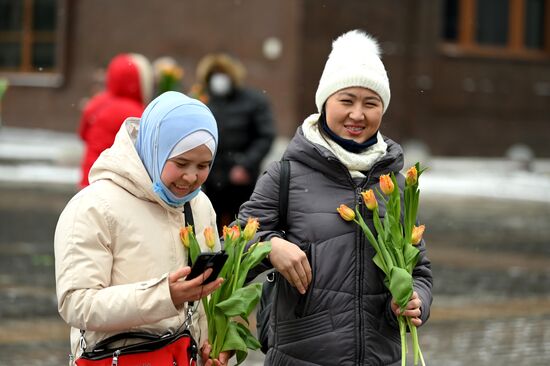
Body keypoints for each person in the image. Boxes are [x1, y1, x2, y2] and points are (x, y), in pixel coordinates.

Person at [236, 30, 433, 365]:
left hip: (380, 356)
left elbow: (420, 269)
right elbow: (236, 246)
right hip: (301, 355)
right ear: (324, 102)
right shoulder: (286, 175)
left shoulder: (395, 186)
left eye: (370, 103)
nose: (357, 114)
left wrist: (417, 300)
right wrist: (271, 247)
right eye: (346, 101)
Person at [55, 91, 230, 365]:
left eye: (204, 165)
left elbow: (203, 304)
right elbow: (77, 303)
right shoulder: (93, 206)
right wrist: (163, 296)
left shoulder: (199, 205)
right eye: (181, 163)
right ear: (154, 149)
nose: (192, 177)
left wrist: (211, 345)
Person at [191, 53, 276, 231]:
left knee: (241, 226)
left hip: (241, 180)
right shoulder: (204, 101)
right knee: (210, 226)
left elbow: (265, 136)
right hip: (212, 179)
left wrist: (245, 164)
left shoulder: (253, 101)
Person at [78, 53, 153, 189]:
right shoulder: (137, 113)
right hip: (114, 182)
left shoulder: (97, 102)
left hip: (90, 175)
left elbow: (83, 134)